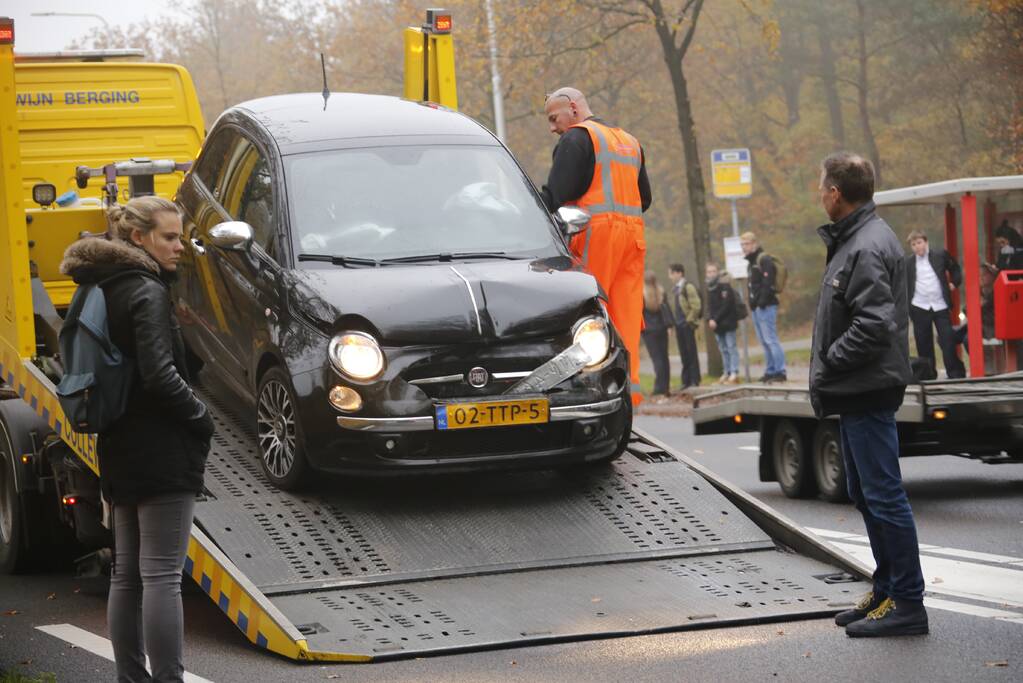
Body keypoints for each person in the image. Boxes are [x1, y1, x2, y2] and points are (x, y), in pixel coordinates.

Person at [60, 196, 216, 681]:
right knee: (163, 575)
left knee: (126, 574)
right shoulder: (147, 291)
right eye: (169, 237)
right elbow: (159, 375)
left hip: (119, 441)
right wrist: (201, 417)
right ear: (138, 238)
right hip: (161, 446)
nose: (179, 247)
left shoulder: (102, 286)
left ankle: (131, 677)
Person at [809, 152, 926, 637]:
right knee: (865, 492)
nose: (820, 193)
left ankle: (908, 603)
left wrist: (832, 359)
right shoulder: (856, 239)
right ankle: (885, 590)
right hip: (857, 388)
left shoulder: (868, 243)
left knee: (883, 495)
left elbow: (876, 323)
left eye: (822, 186)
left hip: (866, 386)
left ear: (836, 193)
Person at [541, 87, 652, 405]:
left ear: (573, 108)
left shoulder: (576, 139)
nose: (552, 127)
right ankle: (626, 397)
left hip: (595, 236)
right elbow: (644, 199)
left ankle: (583, 394)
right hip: (633, 241)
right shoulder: (630, 142)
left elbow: (554, 197)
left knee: (583, 315)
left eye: (553, 118)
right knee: (625, 317)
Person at [905, 230, 965, 379]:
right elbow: (904, 284)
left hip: (940, 305)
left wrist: (954, 283)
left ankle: (955, 374)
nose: (917, 247)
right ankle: (929, 375)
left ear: (925, 242)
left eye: (919, 243)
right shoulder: (908, 263)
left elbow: (955, 268)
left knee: (948, 340)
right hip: (919, 306)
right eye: (913, 244)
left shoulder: (940, 255)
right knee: (923, 344)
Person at [741, 231, 787, 383]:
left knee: (771, 339)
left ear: (755, 244)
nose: (744, 247)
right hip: (756, 308)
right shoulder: (751, 262)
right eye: (742, 244)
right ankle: (770, 370)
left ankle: (780, 371)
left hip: (766, 306)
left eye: (746, 244)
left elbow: (767, 284)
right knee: (764, 341)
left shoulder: (764, 259)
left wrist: (760, 302)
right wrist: (753, 304)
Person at [668, 263, 702, 389]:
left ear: (679, 273)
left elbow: (696, 305)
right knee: (683, 353)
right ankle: (686, 380)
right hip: (679, 325)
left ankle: (695, 379)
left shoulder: (688, 287)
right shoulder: (676, 289)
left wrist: (689, 321)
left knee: (691, 352)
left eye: (671, 273)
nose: (670, 276)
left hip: (687, 325)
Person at [705, 262, 740, 384]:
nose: (711, 274)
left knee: (731, 347)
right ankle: (726, 371)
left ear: (717, 272)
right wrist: (709, 318)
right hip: (717, 325)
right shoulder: (709, 288)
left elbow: (726, 305)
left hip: (727, 322)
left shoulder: (724, 286)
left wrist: (716, 319)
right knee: (723, 349)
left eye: (713, 271)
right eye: (709, 272)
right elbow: (709, 306)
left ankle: (734, 372)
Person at [641, 271, 671, 396]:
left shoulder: (642, 294)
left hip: (649, 330)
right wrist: (669, 326)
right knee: (664, 357)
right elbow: (667, 310)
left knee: (657, 358)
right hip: (662, 328)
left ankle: (659, 387)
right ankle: (666, 386)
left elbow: (640, 313)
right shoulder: (661, 292)